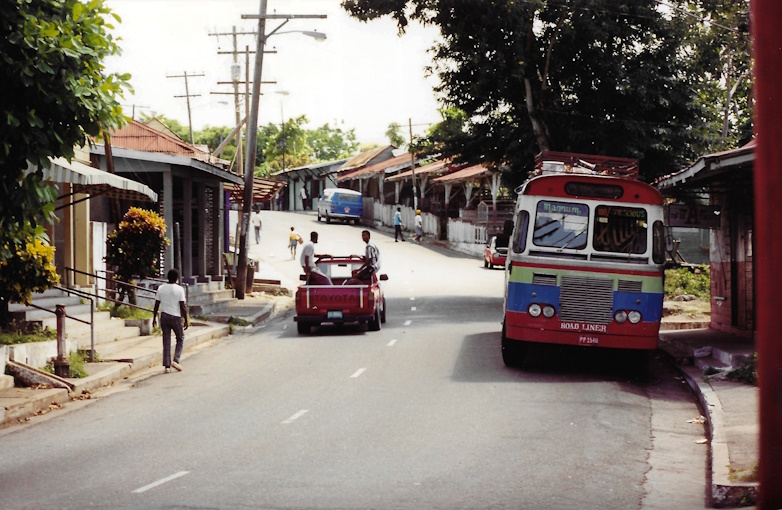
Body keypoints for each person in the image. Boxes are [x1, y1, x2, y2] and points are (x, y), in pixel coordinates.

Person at [152, 268, 189, 373]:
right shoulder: (179, 289)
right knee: (180, 338)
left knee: (166, 340)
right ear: (177, 278)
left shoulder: (161, 288)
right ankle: (176, 360)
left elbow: (156, 304)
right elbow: (182, 306)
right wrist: (186, 319)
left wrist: (154, 318)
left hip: (164, 316)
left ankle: (167, 366)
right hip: (175, 317)